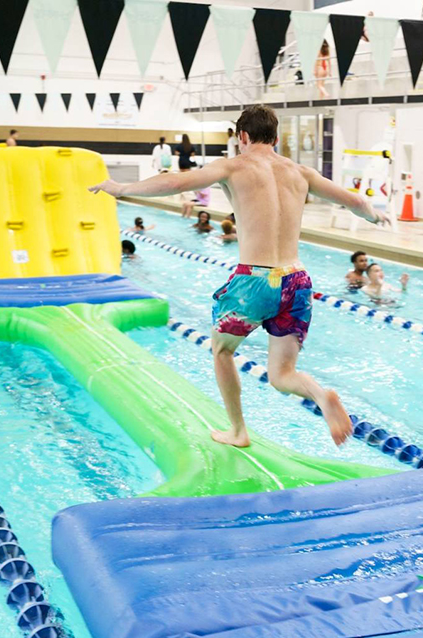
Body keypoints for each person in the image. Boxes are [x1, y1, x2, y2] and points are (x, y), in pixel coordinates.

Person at [89, 103, 390, 447]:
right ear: (276, 138)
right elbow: (355, 203)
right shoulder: (301, 172)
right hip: (297, 280)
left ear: (242, 137)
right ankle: (321, 396)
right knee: (282, 375)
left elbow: (173, 181)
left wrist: (120, 187)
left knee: (222, 351)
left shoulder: (234, 166)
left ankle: (238, 430)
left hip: (254, 281)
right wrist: (373, 217)